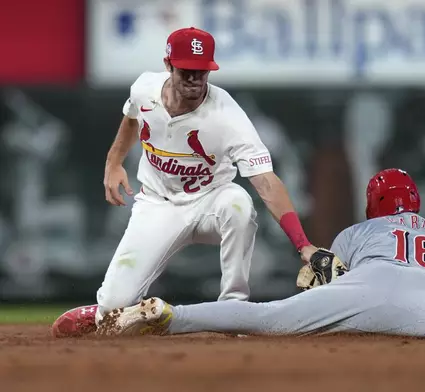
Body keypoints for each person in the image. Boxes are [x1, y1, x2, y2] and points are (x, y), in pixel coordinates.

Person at [94, 169, 425, 342]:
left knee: (264, 317)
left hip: (361, 292)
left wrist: (320, 295)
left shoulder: (357, 231)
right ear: (417, 205)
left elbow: (325, 280)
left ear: (374, 203)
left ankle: (168, 313)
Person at [51, 27, 324, 338]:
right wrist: (113, 163)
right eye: (187, 71)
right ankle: (104, 312)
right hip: (157, 205)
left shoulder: (227, 115)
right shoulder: (145, 89)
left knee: (239, 204)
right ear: (168, 65)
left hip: (211, 201)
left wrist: (303, 245)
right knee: (113, 310)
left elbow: (266, 182)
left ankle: (233, 311)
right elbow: (130, 118)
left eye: (202, 71)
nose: (195, 78)